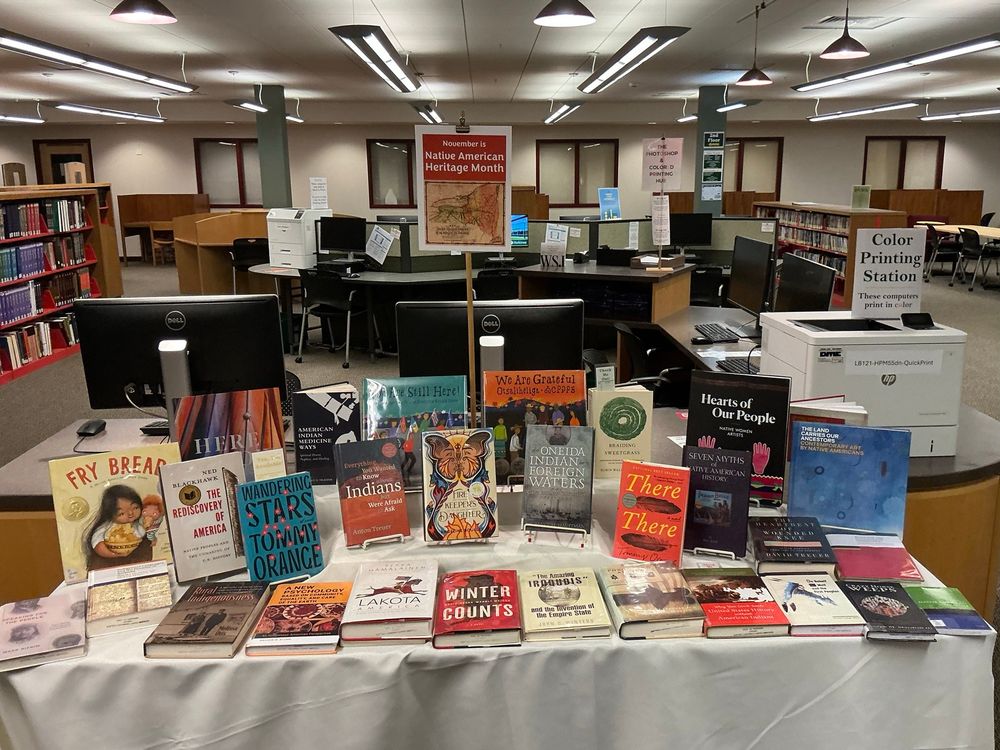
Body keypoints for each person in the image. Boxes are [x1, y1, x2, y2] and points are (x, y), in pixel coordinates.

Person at [85, 485, 156, 570]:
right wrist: (113, 554)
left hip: (134, 561)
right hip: (111, 562)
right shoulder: (107, 527)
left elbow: (145, 534)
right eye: (121, 513)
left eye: (135, 507)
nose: (131, 514)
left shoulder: (138, 524)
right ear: (109, 514)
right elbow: (97, 544)